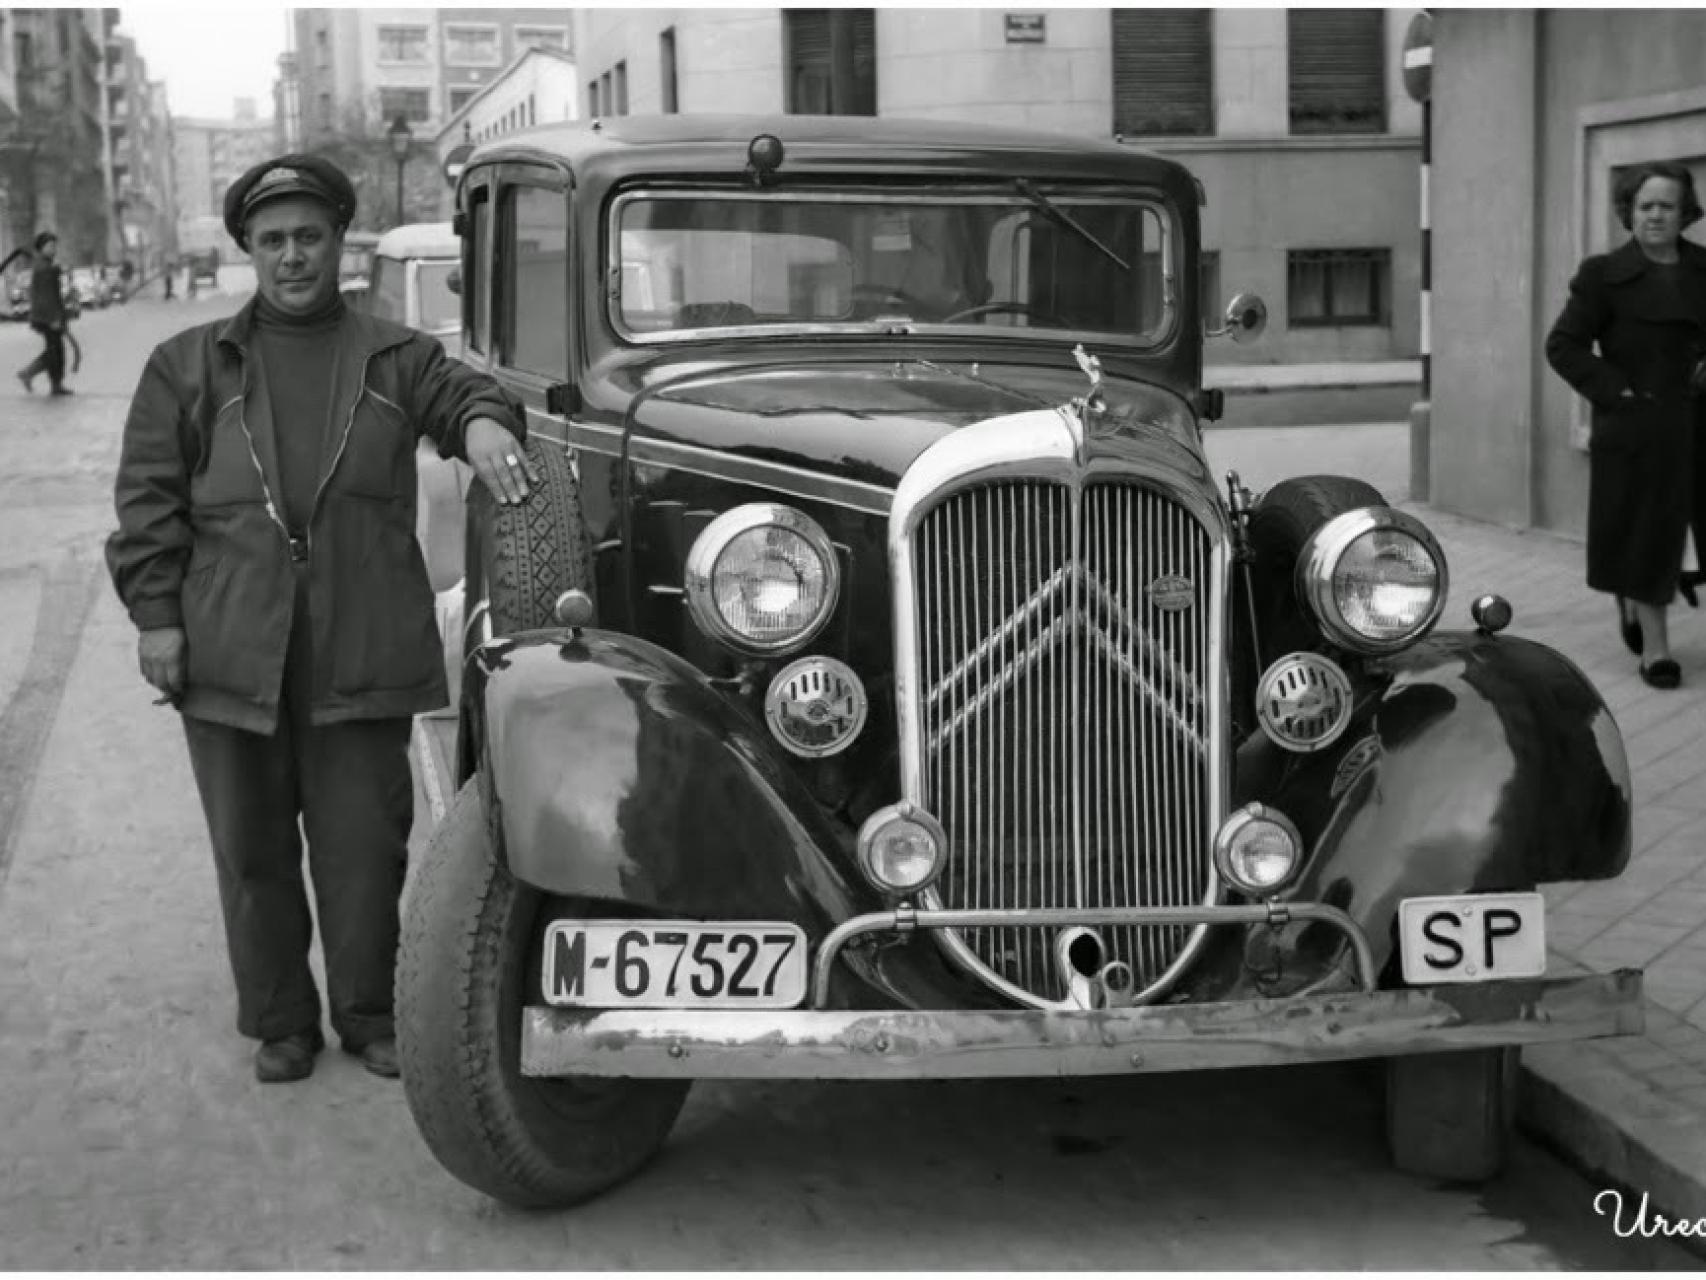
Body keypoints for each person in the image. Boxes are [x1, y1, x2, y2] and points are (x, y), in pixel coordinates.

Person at [105, 154, 540, 1084]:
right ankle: (279, 1021)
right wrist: (157, 619)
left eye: (309, 238)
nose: (292, 256)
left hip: (362, 650)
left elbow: (467, 391)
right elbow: (147, 503)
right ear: (249, 253)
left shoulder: (395, 355)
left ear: (340, 245)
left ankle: (369, 1013)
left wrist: (486, 426)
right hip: (231, 654)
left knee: (363, 852)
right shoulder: (186, 365)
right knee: (252, 852)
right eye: (273, 241)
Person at [1545, 160, 1706, 690]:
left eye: (1667, 205)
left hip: (1699, 422)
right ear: (1629, 212)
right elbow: (1564, 345)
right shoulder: (1603, 275)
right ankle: (1656, 650)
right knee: (1649, 536)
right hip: (1638, 429)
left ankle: (1635, 603)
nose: (1656, 214)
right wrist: (1618, 391)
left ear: (1686, 212)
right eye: (1646, 206)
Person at [9, 231, 71, 396]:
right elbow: (46, 297)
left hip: (46, 316)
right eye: (50, 246)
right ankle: (51, 383)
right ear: (42, 248)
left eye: (54, 246)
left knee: (55, 351)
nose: (54, 249)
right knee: (55, 351)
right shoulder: (44, 268)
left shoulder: (44, 264)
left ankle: (32, 374)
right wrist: (55, 319)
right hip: (47, 318)